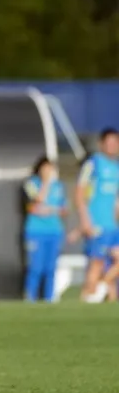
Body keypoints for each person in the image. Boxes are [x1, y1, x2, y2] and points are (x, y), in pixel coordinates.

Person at [77, 128, 119, 302]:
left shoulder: (116, 167)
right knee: (97, 264)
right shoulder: (93, 164)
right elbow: (79, 192)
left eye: (115, 142)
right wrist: (85, 221)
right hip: (96, 224)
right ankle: (87, 297)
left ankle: (97, 290)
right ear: (101, 144)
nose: (112, 146)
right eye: (108, 142)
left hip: (113, 225)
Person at [22, 156, 72, 302]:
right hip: (36, 232)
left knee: (51, 269)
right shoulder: (32, 184)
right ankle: (30, 298)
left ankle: (49, 299)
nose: (49, 171)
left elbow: (64, 209)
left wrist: (51, 210)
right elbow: (35, 202)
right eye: (46, 168)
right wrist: (45, 183)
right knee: (35, 268)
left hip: (55, 231)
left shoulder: (59, 186)